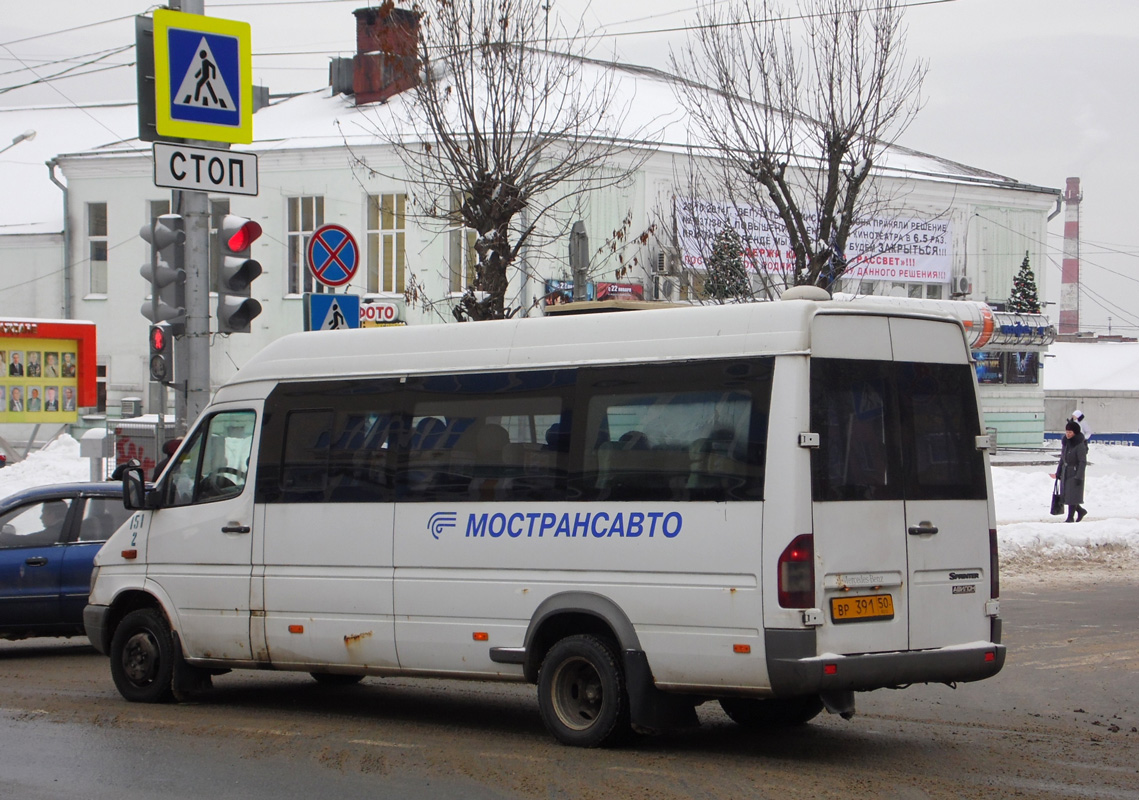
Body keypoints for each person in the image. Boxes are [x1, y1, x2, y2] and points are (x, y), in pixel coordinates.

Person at [1051, 420, 1088, 523]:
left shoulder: (1079, 445)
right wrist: (1058, 472)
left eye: (1070, 432)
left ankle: (1070, 517)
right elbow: (1062, 459)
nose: (1068, 434)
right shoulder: (1066, 443)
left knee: (1072, 496)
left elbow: (1082, 461)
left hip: (1074, 472)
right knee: (1066, 495)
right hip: (1065, 471)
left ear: (1075, 433)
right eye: (1067, 432)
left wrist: (1079, 476)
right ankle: (1080, 511)